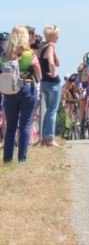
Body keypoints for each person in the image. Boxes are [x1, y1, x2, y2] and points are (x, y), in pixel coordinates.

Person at [2, 26, 42, 163]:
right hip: (27, 88)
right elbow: (38, 74)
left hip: (10, 91)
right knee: (25, 124)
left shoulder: (5, 56)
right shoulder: (29, 55)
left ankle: (7, 158)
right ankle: (22, 159)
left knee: (11, 126)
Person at [37, 25, 62, 146]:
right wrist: (53, 73)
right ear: (52, 36)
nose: (58, 38)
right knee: (53, 110)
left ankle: (44, 138)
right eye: (56, 36)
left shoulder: (41, 47)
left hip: (43, 81)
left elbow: (58, 63)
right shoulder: (50, 48)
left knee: (48, 110)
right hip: (52, 82)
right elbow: (53, 63)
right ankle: (50, 138)